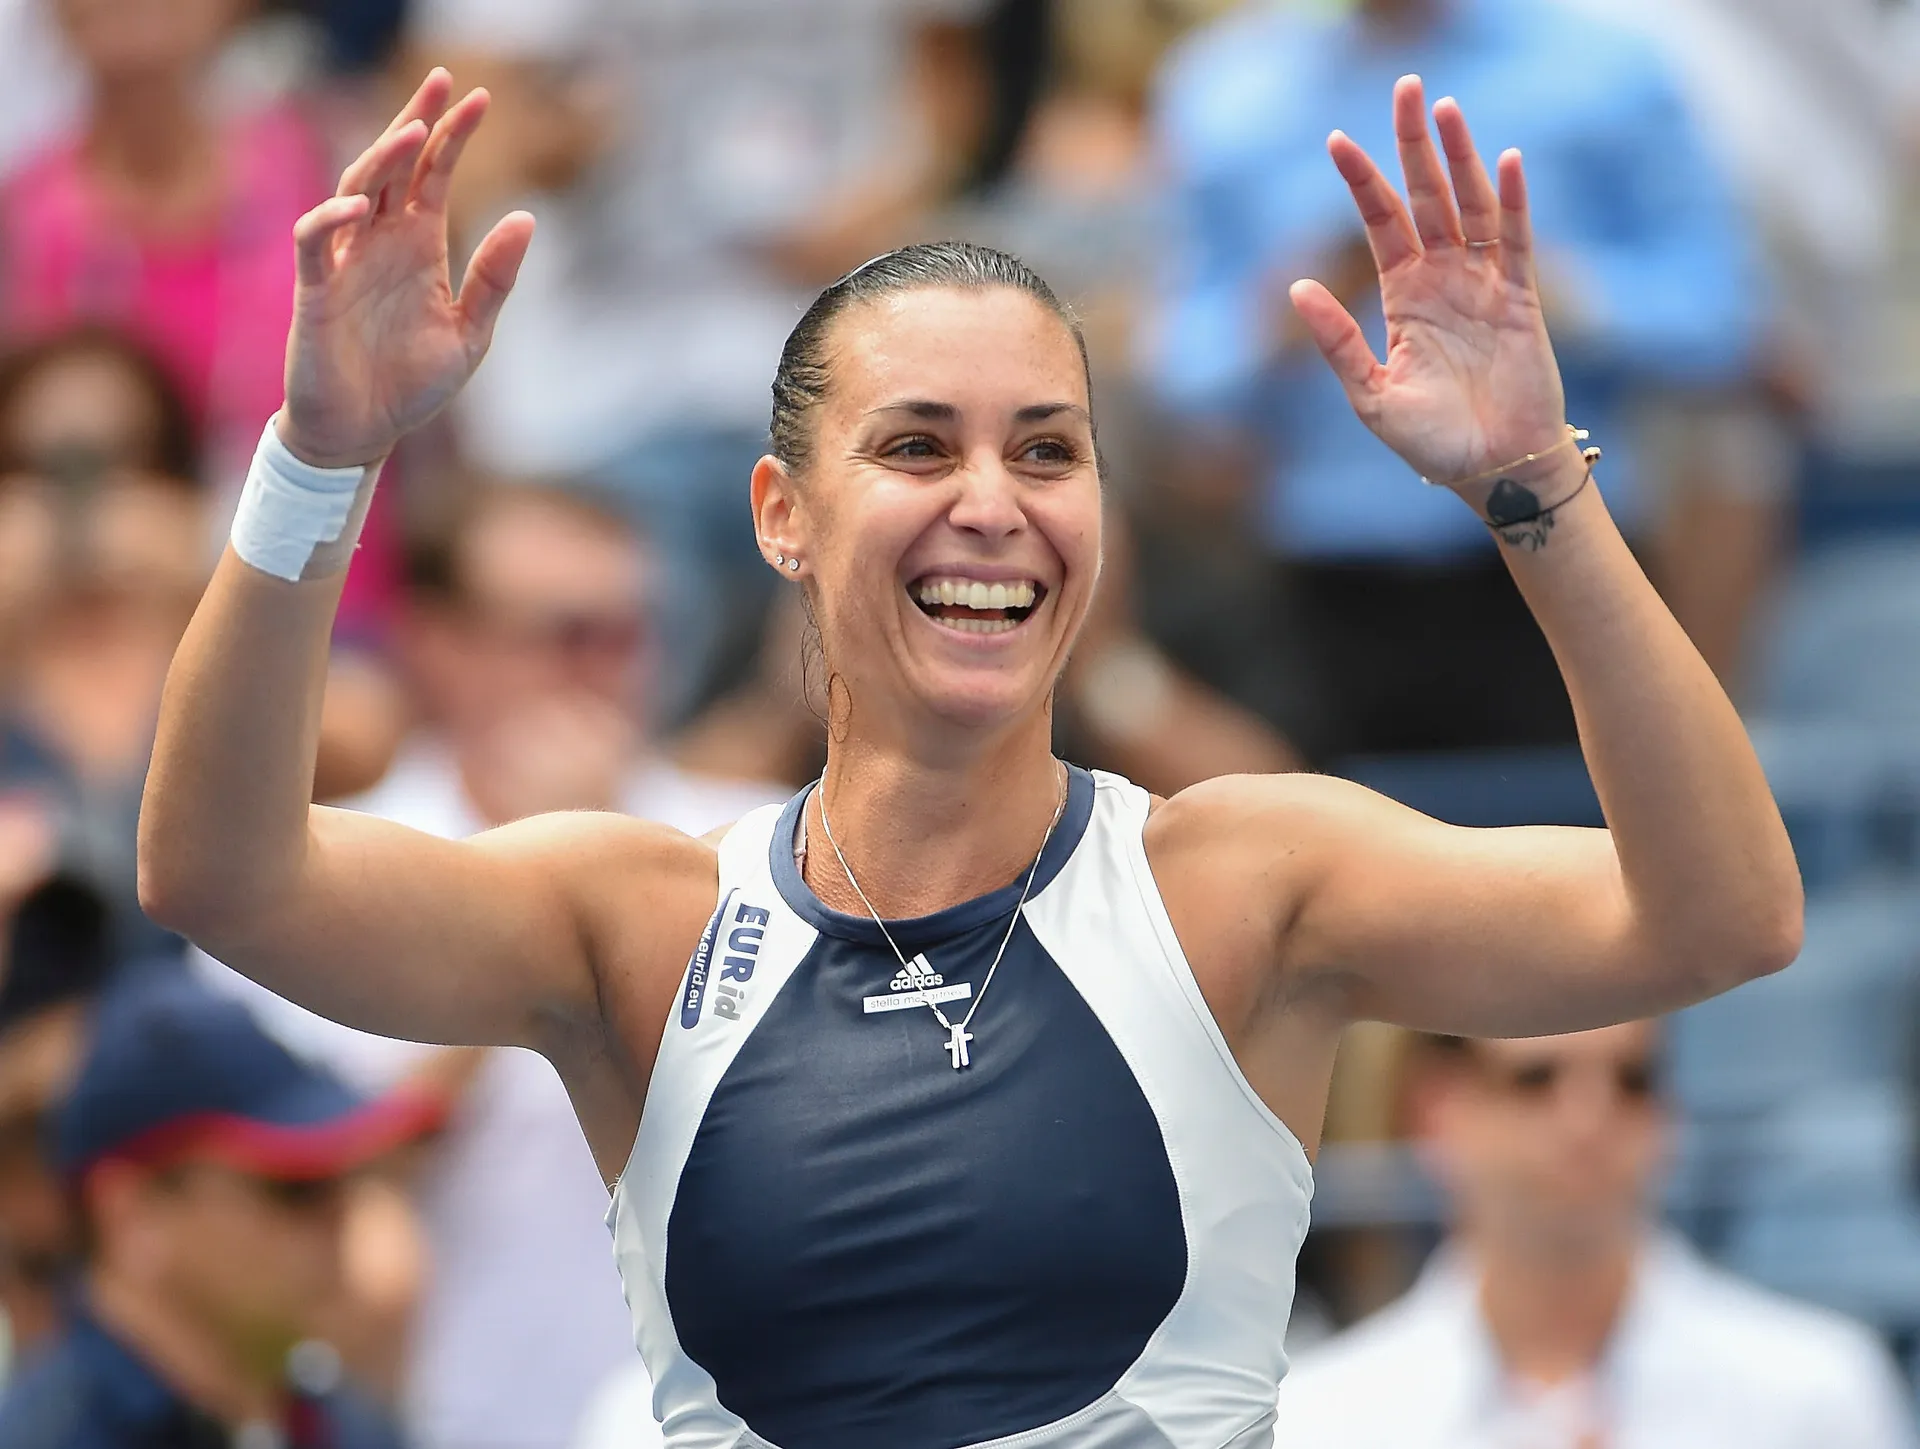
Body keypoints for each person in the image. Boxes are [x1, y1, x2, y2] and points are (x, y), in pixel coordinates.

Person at [138, 67, 1802, 1446]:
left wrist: (1537, 484)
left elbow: (1721, 914)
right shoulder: (633, 914)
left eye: (1050, 450)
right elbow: (222, 873)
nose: (992, 503)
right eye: (918, 445)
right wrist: (318, 460)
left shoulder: (1244, 882)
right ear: (782, 515)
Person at [198, 477, 780, 1449]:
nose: (606, 670)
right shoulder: (317, 866)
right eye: (566, 634)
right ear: (437, 643)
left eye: (630, 633)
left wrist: (612, 858)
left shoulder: (765, 841)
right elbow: (326, 1176)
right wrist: (552, 887)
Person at [1145, 0, 1765, 759]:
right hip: (1321, 590)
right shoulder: (1225, 88)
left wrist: (1557, 297)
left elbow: (1722, 322)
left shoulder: (1610, 67)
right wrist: (1282, 318)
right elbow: (1181, 369)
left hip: (1558, 558)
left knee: (1589, 826)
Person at [1272, 1024, 1920, 1447]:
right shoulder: (1322, 1419)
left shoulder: (1818, 1390)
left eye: (1632, 1080)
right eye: (1536, 1079)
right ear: (1438, 1110)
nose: (1589, 1118)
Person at [0, 970, 439, 1447]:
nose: (342, 1219)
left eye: (346, 1179)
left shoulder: (349, 1425)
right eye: (297, 1186)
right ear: (129, 1213)